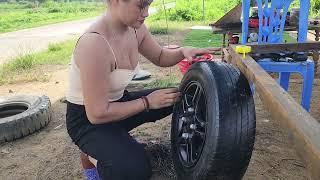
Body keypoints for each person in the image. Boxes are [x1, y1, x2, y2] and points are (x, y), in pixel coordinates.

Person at [65, 0, 220, 179]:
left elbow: (161, 56)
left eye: (149, 4)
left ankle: (113, 143)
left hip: (118, 103)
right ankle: (92, 161)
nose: (146, 12)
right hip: (87, 120)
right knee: (134, 170)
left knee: (185, 95)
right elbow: (97, 114)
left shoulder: (135, 29)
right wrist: (148, 102)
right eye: (141, 5)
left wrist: (183, 51)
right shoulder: (94, 43)